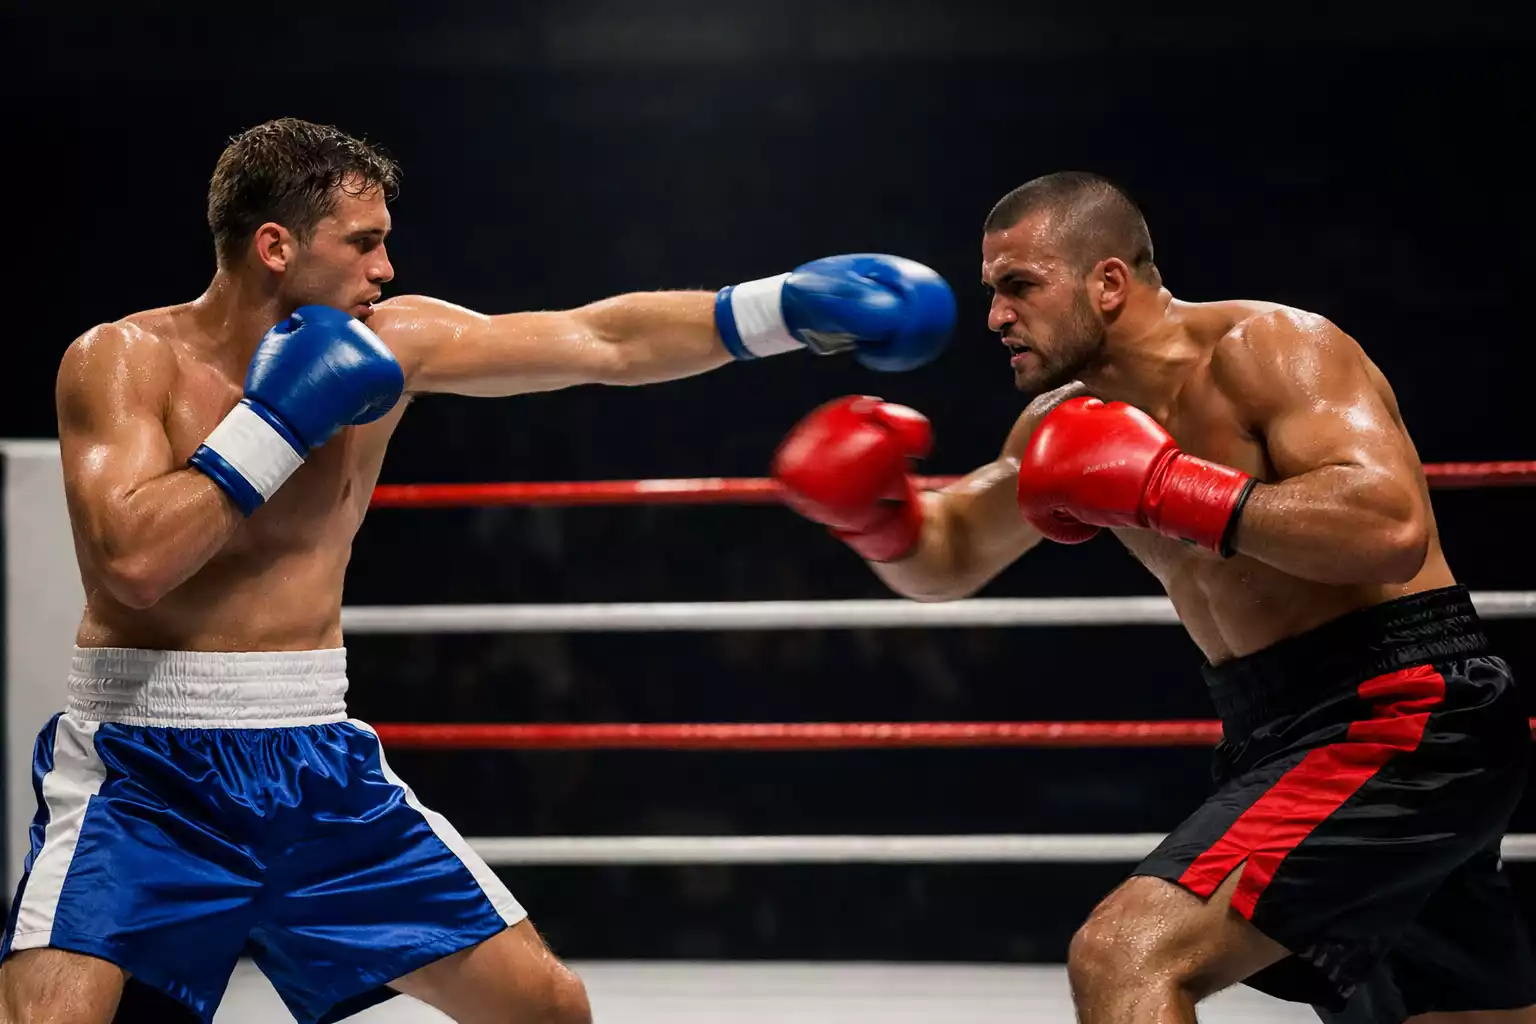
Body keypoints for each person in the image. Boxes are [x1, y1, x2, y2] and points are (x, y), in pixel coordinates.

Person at [0, 116, 955, 1024]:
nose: (387, 268)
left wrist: (782, 308)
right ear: (276, 247)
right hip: (144, 771)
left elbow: (602, 342)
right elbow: (133, 563)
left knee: (545, 1008)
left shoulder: (392, 342)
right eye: (363, 242)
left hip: (314, 764)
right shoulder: (125, 360)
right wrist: (278, 421)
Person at [771, 171, 1535, 1023]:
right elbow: (949, 559)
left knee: (1125, 957)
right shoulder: (1065, 421)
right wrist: (875, 516)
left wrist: (1170, 487)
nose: (994, 317)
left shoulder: (1271, 346)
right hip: (1279, 727)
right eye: (992, 292)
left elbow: (1389, 527)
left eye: (1019, 286)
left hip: (1404, 709)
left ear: (1108, 282)